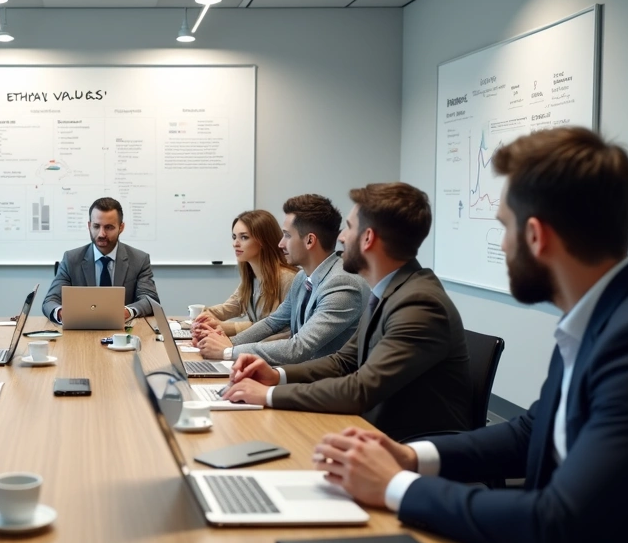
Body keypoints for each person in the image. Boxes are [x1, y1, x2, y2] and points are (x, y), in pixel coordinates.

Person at [310, 127, 628, 543]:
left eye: (504, 226)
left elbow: (557, 523)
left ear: (536, 236)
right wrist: (410, 456)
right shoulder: (600, 318)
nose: (503, 241)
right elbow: (531, 430)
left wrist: (395, 487)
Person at [224, 182, 471, 441]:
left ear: (368, 238)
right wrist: (276, 375)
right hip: (371, 427)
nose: (341, 237)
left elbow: (360, 389)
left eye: (350, 228)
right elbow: (344, 361)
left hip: (405, 441)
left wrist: (268, 394)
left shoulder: (419, 304)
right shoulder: (390, 291)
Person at [192, 195, 367, 364]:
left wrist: (228, 351)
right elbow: (272, 322)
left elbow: (299, 348)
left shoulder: (342, 285)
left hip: (326, 385)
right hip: (302, 375)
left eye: (287, 235)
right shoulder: (302, 277)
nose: (280, 244)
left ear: (310, 240)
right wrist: (230, 343)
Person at [41, 197, 160, 324]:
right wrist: (60, 312)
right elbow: (50, 301)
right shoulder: (71, 259)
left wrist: (127, 312)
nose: (101, 234)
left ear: (121, 227)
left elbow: (149, 300)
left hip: (123, 334)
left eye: (109, 227)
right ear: (89, 225)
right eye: (96, 226)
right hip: (80, 331)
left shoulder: (139, 259)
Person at [188, 210, 296, 345]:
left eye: (244, 237)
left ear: (264, 240)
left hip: (269, 356)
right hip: (252, 350)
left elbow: (277, 330)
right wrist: (205, 316)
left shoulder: (288, 279)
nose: (235, 244)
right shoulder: (252, 277)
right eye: (234, 237)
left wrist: (225, 337)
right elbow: (229, 307)